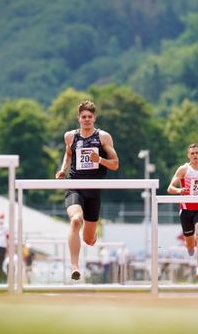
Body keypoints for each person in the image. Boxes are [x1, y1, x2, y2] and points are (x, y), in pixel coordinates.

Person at [55, 100, 119, 281]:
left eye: (90, 117)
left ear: (94, 118)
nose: (87, 120)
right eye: (83, 117)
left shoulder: (103, 137)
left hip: (94, 189)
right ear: (79, 118)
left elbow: (115, 164)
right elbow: (68, 155)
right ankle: (74, 266)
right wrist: (63, 170)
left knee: (89, 240)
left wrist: (99, 160)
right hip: (74, 185)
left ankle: (91, 236)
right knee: (75, 220)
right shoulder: (70, 136)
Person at [167, 143, 198, 280]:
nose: (195, 155)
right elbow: (170, 188)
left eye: (197, 153)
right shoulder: (184, 169)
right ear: (188, 155)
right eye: (192, 153)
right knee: (190, 243)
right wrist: (179, 190)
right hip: (186, 210)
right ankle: (190, 248)